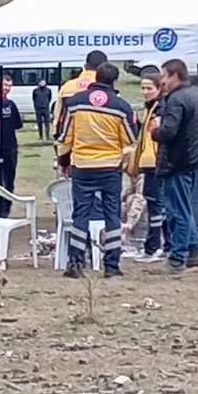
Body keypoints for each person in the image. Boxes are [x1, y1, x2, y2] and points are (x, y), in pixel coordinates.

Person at [58, 62, 135, 279]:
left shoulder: (74, 103)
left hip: (82, 166)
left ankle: (75, 263)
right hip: (110, 167)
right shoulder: (121, 107)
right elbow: (130, 138)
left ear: (95, 79)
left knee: (80, 213)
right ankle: (111, 264)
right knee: (111, 213)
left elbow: (64, 135)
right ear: (115, 81)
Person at [152, 59, 198, 274]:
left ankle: (177, 258)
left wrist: (154, 131)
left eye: (163, 76)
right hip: (195, 159)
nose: (161, 81)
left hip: (177, 161)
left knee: (177, 211)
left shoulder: (175, 99)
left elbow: (169, 132)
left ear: (174, 76)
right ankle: (194, 250)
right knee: (184, 206)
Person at [130, 71, 169, 262]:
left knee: (155, 205)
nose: (145, 92)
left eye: (149, 88)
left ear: (159, 88)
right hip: (147, 161)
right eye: (143, 88)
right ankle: (167, 244)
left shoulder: (159, 110)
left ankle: (153, 247)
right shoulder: (148, 108)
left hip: (156, 162)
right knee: (158, 205)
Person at [0, 77, 24, 218]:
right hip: (10, 147)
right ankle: (5, 211)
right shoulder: (10, 104)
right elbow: (18, 124)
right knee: (9, 180)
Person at [52, 51, 105, 138]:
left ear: (85, 66)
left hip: (71, 138)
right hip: (98, 138)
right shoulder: (105, 87)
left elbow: (57, 116)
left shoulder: (67, 86)